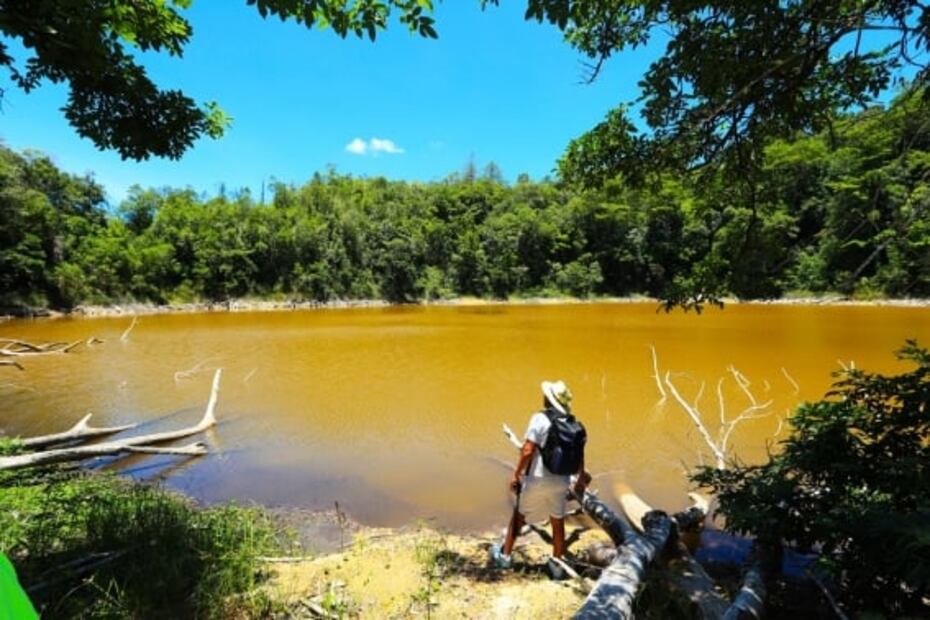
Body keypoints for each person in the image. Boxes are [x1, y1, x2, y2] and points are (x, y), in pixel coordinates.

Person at [490, 380, 590, 574]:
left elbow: (527, 450)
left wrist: (516, 474)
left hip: (537, 479)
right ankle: (557, 565)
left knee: (518, 517)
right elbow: (579, 455)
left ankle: (504, 557)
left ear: (549, 400)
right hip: (561, 480)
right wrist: (580, 479)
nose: (543, 397)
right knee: (557, 522)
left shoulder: (540, 418)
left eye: (546, 396)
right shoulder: (572, 423)